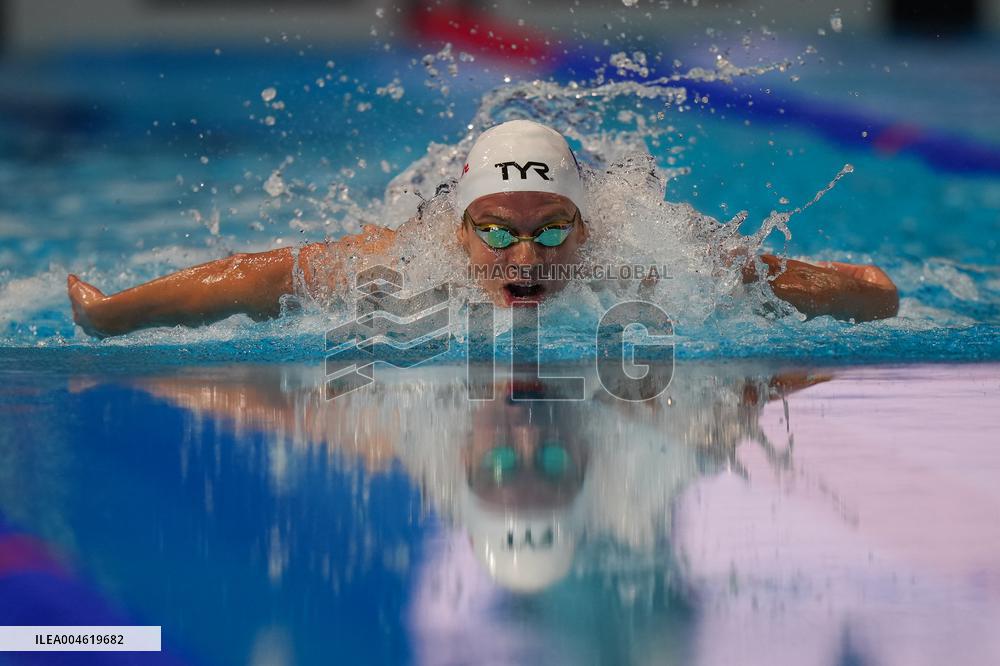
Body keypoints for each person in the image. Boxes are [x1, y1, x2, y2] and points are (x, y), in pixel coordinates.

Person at [67, 120, 899, 337]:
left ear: (587, 223)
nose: (527, 257)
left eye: (553, 230)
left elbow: (864, 294)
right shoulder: (409, 255)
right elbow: (262, 275)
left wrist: (863, 294)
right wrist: (118, 312)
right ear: (458, 230)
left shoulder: (647, 255)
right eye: (497, 233)